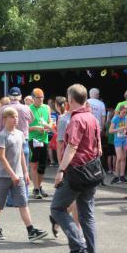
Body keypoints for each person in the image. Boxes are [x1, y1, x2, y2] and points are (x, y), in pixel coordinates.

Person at [51, 84, 101, 253]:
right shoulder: (92, 118)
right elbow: (100, 148)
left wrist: (61, 170)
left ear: (70, 100)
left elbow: (71, 147)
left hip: (77, 172)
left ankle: (78, 247)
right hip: (93, 171)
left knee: (57, 208)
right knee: (87, 215)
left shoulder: (76, 120)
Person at [0, 107, 47, 242]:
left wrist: (25, 172)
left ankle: (31, 230)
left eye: (16, 117)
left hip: (19, 175)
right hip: (3, 175)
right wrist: (12, 174)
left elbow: (21, 153)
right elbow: (2, 158)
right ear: (4, 120)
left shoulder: (20, 134)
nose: (16, 119)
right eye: (12, 117)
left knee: (23, 202)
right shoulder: (2, 135)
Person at [49, 96, 80, 238]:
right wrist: (61, 167)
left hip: (79, 163)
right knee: (73, 199)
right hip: (69, 163)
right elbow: (60, 144)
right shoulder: (64, 119)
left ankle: (57, 221)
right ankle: (76, 230)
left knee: (74, 199)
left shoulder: (80, 118)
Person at [0, 87, 33, 204]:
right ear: (21, 96)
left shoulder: (3, 109)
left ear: (9, 96)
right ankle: (23, 198)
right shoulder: (25, 108)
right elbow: (31, 120)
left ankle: (11, 199)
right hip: (23, 140)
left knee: (8, 170)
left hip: (7, 141)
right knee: (23, 170)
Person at [29, 88, 53, 199]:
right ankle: (35, 188)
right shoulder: (29, 109)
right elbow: (24, 128)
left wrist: (49, 127)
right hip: (33, 140)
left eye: (42, 97)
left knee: (42, 166)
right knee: (34, 164)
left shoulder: (46, 108)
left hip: (44, 139)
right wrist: (36, 128)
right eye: (38, 98)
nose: (41, 99)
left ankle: (39, 186)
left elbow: (50, 121)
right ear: (33, 98)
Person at [109, 105, 127, 184]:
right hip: (117, 140)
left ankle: (122, 176)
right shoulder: (115, 118)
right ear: (120, 111)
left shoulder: (126, 118)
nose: (125, 114)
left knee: (124, 158)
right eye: (124, 112)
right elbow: (110, 130)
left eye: (126, 112)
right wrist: (121, 128)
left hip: (124, 139)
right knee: (119, 157)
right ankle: (117, 176)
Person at [105, 109, 116, 175]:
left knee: (109, 156)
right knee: (114, 156)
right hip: (115, 141)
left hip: (109, 141)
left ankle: (109, 169)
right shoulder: (115, 122)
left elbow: (106, 133)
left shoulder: (107, 122)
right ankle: (114, 169)